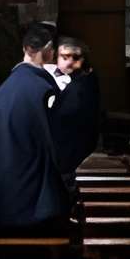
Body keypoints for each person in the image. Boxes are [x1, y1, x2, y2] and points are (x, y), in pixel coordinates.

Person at [0, 20, 70, 233]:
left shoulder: (1, 93)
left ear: (25, 48)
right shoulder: (43, 90)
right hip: (38, 204)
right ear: (50, 51)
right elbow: (57, 147)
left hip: (5, 199)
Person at [49, 35, 101, 204]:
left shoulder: (79, 88)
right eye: (64, 57)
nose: (69, 62)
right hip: (74, 157)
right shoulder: (84, 83)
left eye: (74, 57)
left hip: (70, 159)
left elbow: (64, 122)